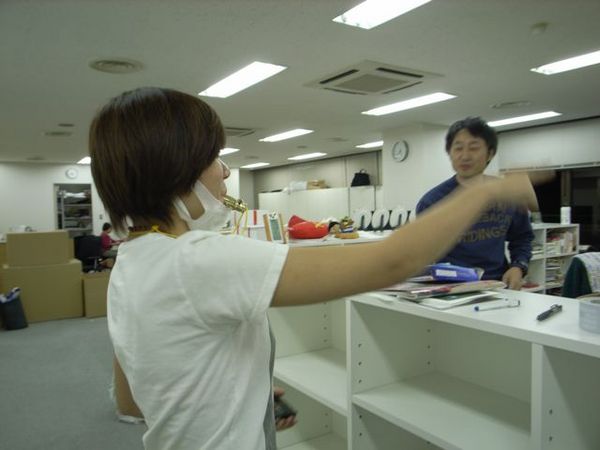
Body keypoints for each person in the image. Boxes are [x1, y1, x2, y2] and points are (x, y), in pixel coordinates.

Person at [89, 87, 543, 450]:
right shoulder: (202, 258)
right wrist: (485, 191)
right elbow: (393, 261)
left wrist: (239, 388)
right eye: (214, 158)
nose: (224, 173)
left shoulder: (132, 260)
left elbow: (133, 400)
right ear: (176, 169)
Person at [416, 116, 536, 289]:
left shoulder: (507, 195)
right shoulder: (432, 201)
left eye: (474, 148)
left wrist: (518, 266)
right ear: (449, 153)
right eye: (458, 148)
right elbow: (420, 252)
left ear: (490, 153)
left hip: (498, 284)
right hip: (450, 288)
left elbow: (522, 237)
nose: (465, 156)